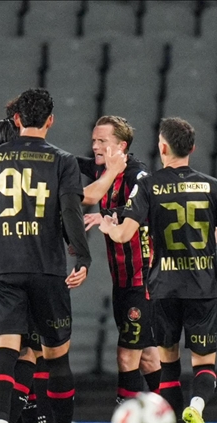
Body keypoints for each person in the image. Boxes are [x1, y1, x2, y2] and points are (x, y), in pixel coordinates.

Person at [100, 117, 217, 423]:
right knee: (204, 365)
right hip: (202, 287)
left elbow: (124, 235)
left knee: (168, 364)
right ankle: (197, 406)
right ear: (192, 148)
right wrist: (210, 234)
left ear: (163, 148)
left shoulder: (149, 186)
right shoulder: (212, 186)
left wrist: (109, 227)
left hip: (163, 288)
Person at [0, 88, 91, 423]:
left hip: (5, 266)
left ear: (17, 119)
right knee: (55, 356)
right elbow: (71, 212)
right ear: (50, 120)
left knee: (5, 350)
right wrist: (82, 256)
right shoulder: (63, 161)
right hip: (47, 267)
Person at [78, 116, 163, 404]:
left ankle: (125, 418)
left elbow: (139, 215)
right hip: (123, 282)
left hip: (141, 281)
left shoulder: (138, 177)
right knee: (148, 357)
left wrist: (107, 217)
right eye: (94, 140)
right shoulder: (103, 169)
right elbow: (67, 163)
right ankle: (174, 418)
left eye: (102, 141)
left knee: (127, 356)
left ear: (122, 146)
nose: (95, 147)